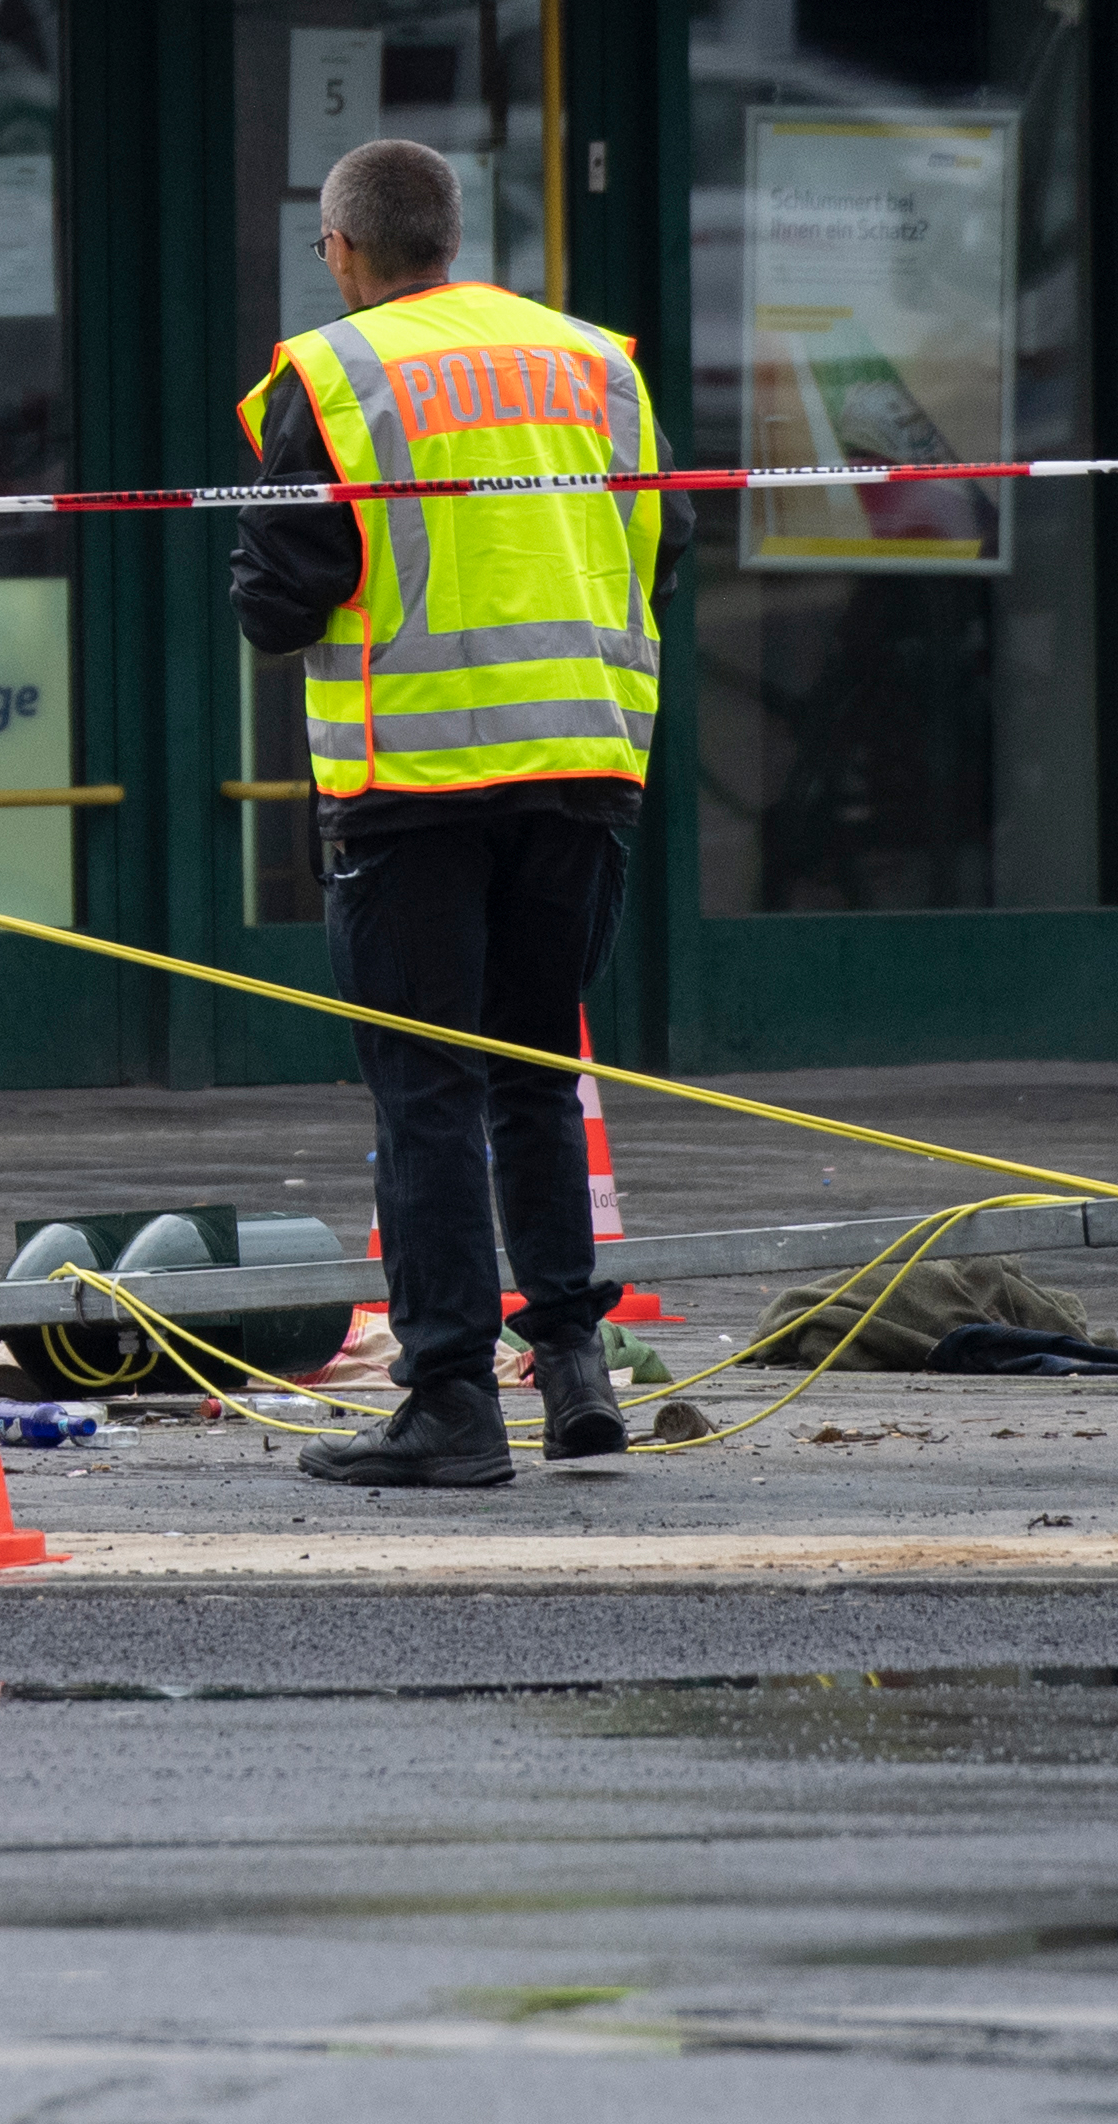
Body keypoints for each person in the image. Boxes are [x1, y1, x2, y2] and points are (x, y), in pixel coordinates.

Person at [231, 137, 683, 1490]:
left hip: (415, 789)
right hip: (584, 764)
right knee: (538, 1070)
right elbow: (663, 547)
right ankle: (573, 1373)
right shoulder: (593, 361)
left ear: (349, 250)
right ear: (452, 237)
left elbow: (278, 601)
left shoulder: (333, 375)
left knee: (425, 1094)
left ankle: (449, 1401)